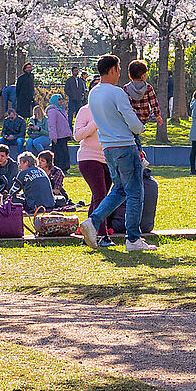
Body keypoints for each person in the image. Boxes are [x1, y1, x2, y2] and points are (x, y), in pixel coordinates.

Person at [78, 54, 155, 253]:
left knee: (119, 190)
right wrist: (142, 128)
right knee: (135, 192)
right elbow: (131, 119)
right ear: (112, 70)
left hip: (108, 148)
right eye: (119, 69)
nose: (120, 73)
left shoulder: (93, 93)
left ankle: (93, 221)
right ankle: (133, 238)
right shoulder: (117, 93)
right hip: (125, 146)